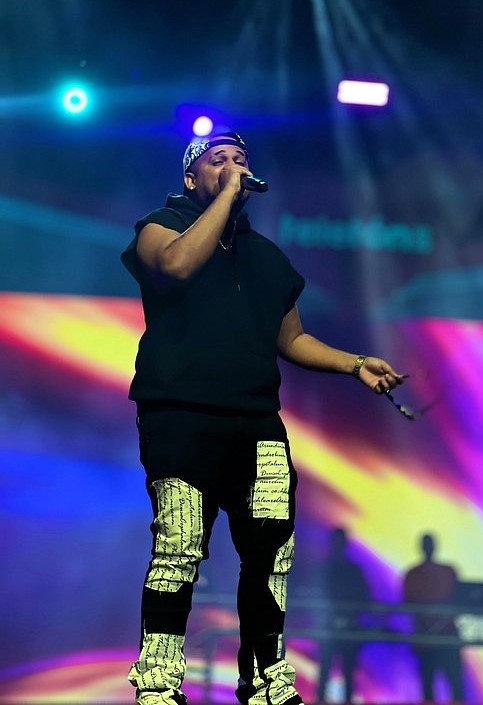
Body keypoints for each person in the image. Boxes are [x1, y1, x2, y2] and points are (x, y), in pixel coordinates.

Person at [121, 130, 404, 705]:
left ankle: (264, 680)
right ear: (191, 178)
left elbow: (291, 339)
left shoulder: (267, 257)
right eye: (218, 161)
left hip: (255, 422)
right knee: (179, 547)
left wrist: (354, 365)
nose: (233, 167)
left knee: (272, 552)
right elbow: (176, 266)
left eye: (241, 160)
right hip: (181, 415)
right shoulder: (159, 227)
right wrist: (227, 196)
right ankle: (159, 681)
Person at [403, 533, 464, 702]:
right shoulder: (413, 574)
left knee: (453, 682)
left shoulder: (447, 572)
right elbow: (408, 603)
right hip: (426, 638)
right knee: (428, 684)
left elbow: (458, 599)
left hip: (446, 636)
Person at [316, 528, 371, 704]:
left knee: (346, 670)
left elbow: (364, 597)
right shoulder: (325, 569)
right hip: (331, 627)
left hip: (346, 627)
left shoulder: (350, 570)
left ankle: (333, 699)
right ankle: (322, 699)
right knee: (327, 669)